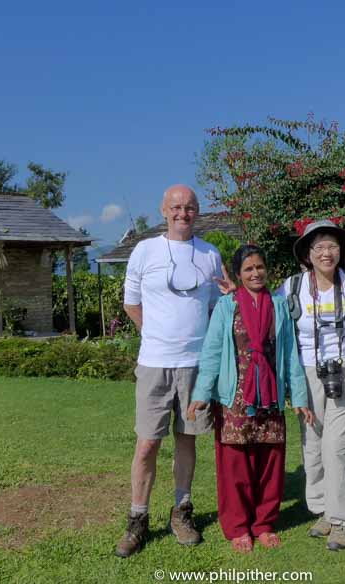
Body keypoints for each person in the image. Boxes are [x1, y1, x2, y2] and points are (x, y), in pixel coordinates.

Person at [115, 184, 227, 558]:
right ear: (163, 210)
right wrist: (155, 334)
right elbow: (131, 303)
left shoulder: (210, 254)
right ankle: (138, 517)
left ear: (198, 211)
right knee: (147, 443)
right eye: (176, 206)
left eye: (190, 207)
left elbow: (217, 307)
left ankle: (181, 511)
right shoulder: (144, 250)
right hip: (154, 364)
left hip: (196, 366)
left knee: (187, 439)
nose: (183, 212)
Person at [187, 245, 315, 553]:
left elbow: (290, 356)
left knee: (270, 465)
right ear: (239, 274)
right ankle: (238, 527)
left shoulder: (280, 306)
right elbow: (213, 352)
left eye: (260, 267)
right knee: (236, 468)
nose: (255, 273)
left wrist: (298, 396)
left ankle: (264, 523)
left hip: (270, 398)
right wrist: (202, 393)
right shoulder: (226, 306)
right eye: (248, 269)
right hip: (236, 398)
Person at [278, 219, 345, 551]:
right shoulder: (291, 286)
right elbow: (262, 311)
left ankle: (342, 520)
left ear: (341, 251)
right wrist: (231, 297)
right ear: (307, 254)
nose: (327, 253)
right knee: (313, 445)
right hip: (308, 373)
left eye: (332, 246)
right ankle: (323, 509)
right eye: (319, 247)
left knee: (338, 447)